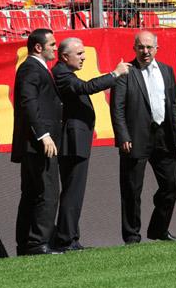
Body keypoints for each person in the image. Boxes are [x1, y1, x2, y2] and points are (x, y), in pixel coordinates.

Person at [52, 37, 131, 251]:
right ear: (64, 56)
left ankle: (71, 237)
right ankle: (66, 239)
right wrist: (114, 74)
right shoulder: (61, 74)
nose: (83, 57)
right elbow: (87, 87)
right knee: (73, 190)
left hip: (77, 140)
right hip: (72, 142)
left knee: (74, 191)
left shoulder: (65, 73)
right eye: (79, 54)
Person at [110, 30, 176, 244]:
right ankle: (132, 236)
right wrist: (122, 136)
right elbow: (117, 108)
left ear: (156, 49)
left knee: (171, 184)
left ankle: (159, 229)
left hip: (163, 136)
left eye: (149, 47)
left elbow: (174, 104)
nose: (145, 51)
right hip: (135, 137)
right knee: (132, 189)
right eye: (141, 47)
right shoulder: (126, 72)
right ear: (134, 48)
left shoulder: (166, 70)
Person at [11, 28, 63, 255]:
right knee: (46, 192)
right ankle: (38, 242)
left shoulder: (35, 68)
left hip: (34, 143)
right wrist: (43, 135)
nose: (55, 48)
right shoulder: (31, 69)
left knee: (32, 192)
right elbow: (29, 103)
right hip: (38, 144)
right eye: (52, 44)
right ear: (38, 47)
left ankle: (27, 243)